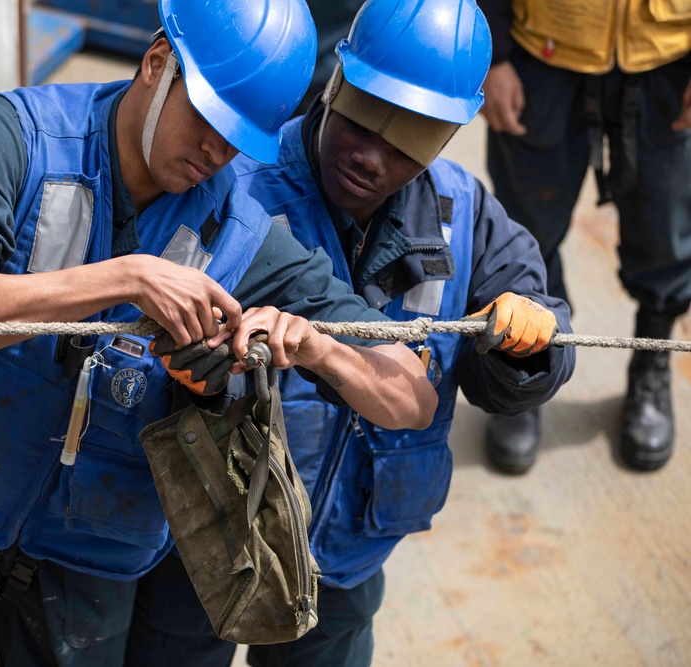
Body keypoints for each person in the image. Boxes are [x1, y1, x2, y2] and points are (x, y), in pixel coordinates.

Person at [0, 0, 440, 664]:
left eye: (239, 137)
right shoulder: (16, 137)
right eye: (205, 114)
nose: (216, 149)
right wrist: (123, 278)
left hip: (92, 537)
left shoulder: (240, 230)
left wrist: (318, 346)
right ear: (155, 62)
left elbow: (412, 397)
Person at [124, 0, 576, 664]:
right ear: (336, 83)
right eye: (361, 124)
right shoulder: (233, 179)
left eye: (405, 144)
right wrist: (194, 374)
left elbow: (514, 364)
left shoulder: (466, 214)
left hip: (347, 552)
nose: (369, 157)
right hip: (207, 530)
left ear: (449, 135)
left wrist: (531, 342)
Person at [478, 0, 691, 472]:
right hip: (542, 52)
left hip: (669, 58)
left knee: (669, 228)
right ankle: (526, 367)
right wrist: (492, 52)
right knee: (524, 235)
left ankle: (650, 364)